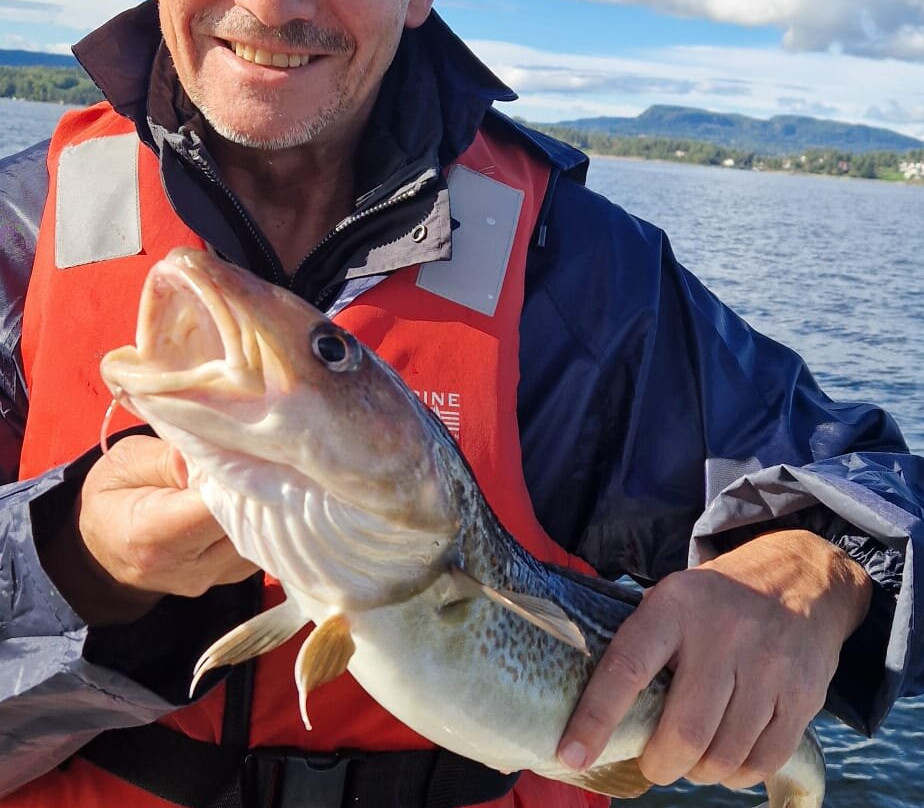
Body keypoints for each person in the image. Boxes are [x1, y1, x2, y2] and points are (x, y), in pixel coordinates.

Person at [0, 0, 920, 806]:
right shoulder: (23, 229)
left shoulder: (582, 273)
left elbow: (879, 489)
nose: (274, 5)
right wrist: (70, 563)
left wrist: (818, 576)